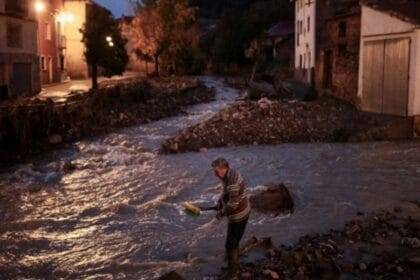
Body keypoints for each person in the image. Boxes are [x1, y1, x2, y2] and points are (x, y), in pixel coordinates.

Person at [211, 157, 251, 280]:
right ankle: (234, 265)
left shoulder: (232, 180)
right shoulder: (228, 175)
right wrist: (220, 202)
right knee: (233, 242)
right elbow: (226, 192)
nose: (215, 173)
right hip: (237, 214)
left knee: (230, 244)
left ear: (224, 169)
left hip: (239, 215)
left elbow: (234, 203)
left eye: (216, 171)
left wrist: (221, 213)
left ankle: (233, 273)